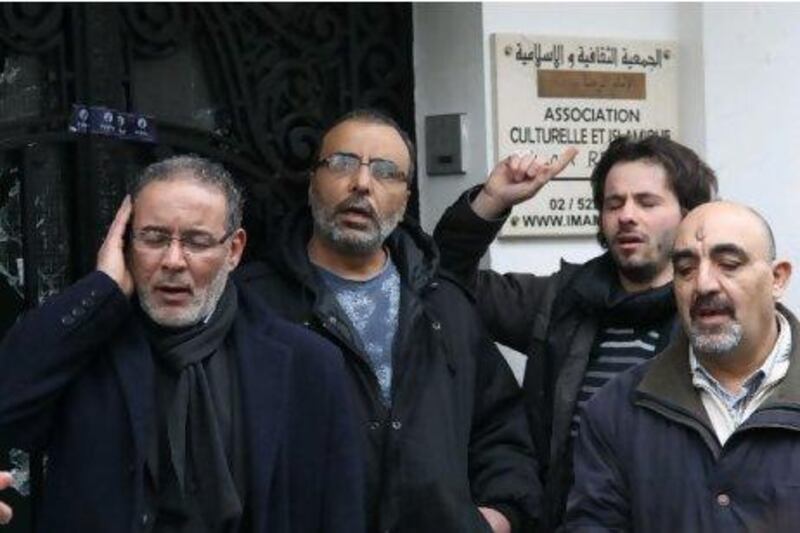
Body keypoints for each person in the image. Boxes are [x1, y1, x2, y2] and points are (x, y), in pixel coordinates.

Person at [0, 156, 363, 532]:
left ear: (234, 250)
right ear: (126, 242)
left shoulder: (307, 363)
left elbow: (339, 512)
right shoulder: (87, 348)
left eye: (196, 241)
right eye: (153, 238)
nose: (173, 261)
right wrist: (101, 289)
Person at [237, 109, 541, 532]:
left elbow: (499, 426)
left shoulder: (443, 302)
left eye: (386, 172)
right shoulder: (252, 303)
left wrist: (498, 516)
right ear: (312, 180)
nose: (361, 183)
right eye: (342, 163)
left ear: (406, 196)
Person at [433, 135, 718, 529]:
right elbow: (445, 280)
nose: (626, 216)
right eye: (613, 203)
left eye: (647, 202)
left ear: (689, 216)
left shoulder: (710, 315)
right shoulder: (560, 302)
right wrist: (492, 200)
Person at [566, 201, 798, 531]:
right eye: (686, 269)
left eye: (728, 264)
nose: (703, 284)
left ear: (777, 279)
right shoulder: (617, 410)